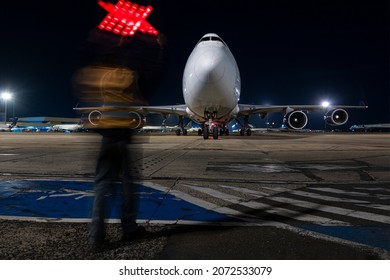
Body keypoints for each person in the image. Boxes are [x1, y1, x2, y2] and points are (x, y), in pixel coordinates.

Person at [73, 26, 168, 249]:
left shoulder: (97, 75)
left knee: (102, 188)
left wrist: (98, 39)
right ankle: (129, 229)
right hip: (124, 137)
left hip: (106, 138)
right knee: (127, 186)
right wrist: (161, 48)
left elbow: (81, 77)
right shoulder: (129, 76)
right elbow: (157, 72)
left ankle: (96, 237)